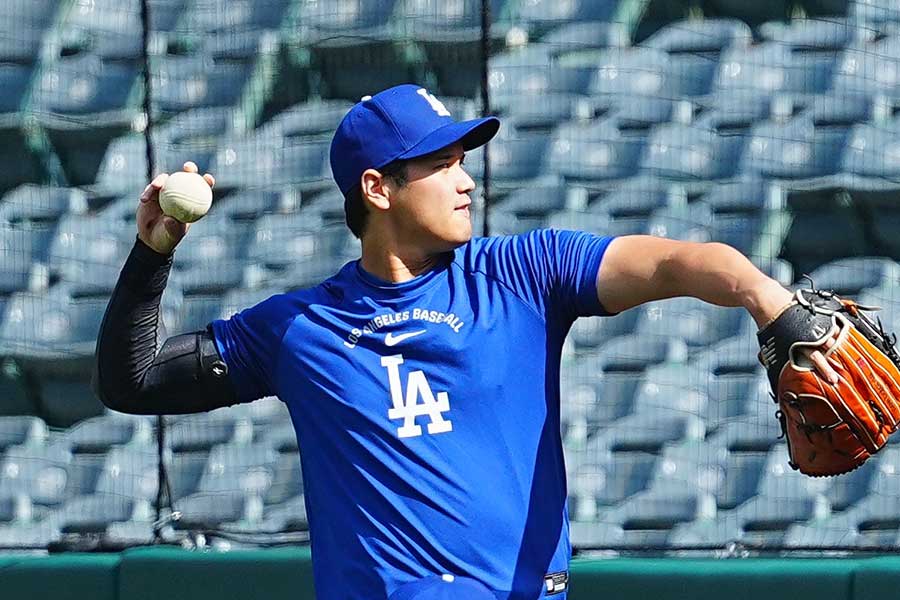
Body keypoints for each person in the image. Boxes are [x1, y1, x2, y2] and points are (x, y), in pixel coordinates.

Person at [94, 84, 840, 600]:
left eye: (463, 159)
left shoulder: (522, 274)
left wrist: (763, 296)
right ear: (378, 189)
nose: (465, 180)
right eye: (441, 162)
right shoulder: (298, 328)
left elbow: (676, 261)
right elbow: (132, 382)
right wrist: (152, 253)